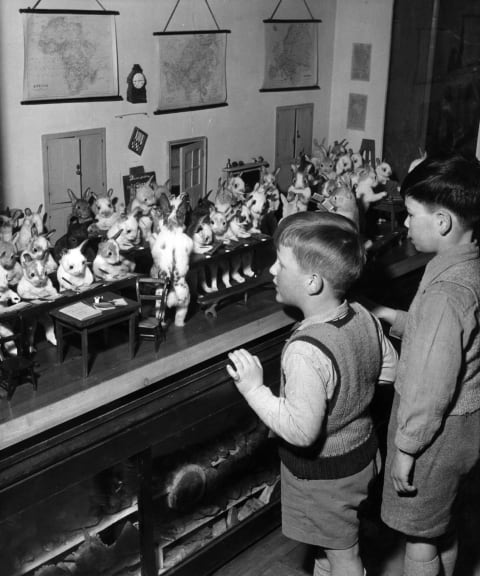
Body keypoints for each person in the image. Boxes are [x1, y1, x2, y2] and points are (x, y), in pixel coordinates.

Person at [226, 211, 397, 576]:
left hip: (325, 478)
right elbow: (389, 369)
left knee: (344, 557)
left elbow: (301, 432)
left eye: (281, 264)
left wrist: (255, 390)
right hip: (362, 456)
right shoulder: (363, 316)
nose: (272, 270)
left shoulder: (305, 351)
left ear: (313, 282)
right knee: (331, 546)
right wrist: (350, 392)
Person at [372, 153, 480, 576]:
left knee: (418, 538)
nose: (403, 224)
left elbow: (429, 384)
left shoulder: (444, 293)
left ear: (442, 222)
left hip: (433, 435)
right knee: (441, 528)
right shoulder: (467, 267)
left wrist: (406, 450)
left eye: (411, 215)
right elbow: (441, 339)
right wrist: (389, 315)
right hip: (464, 425)